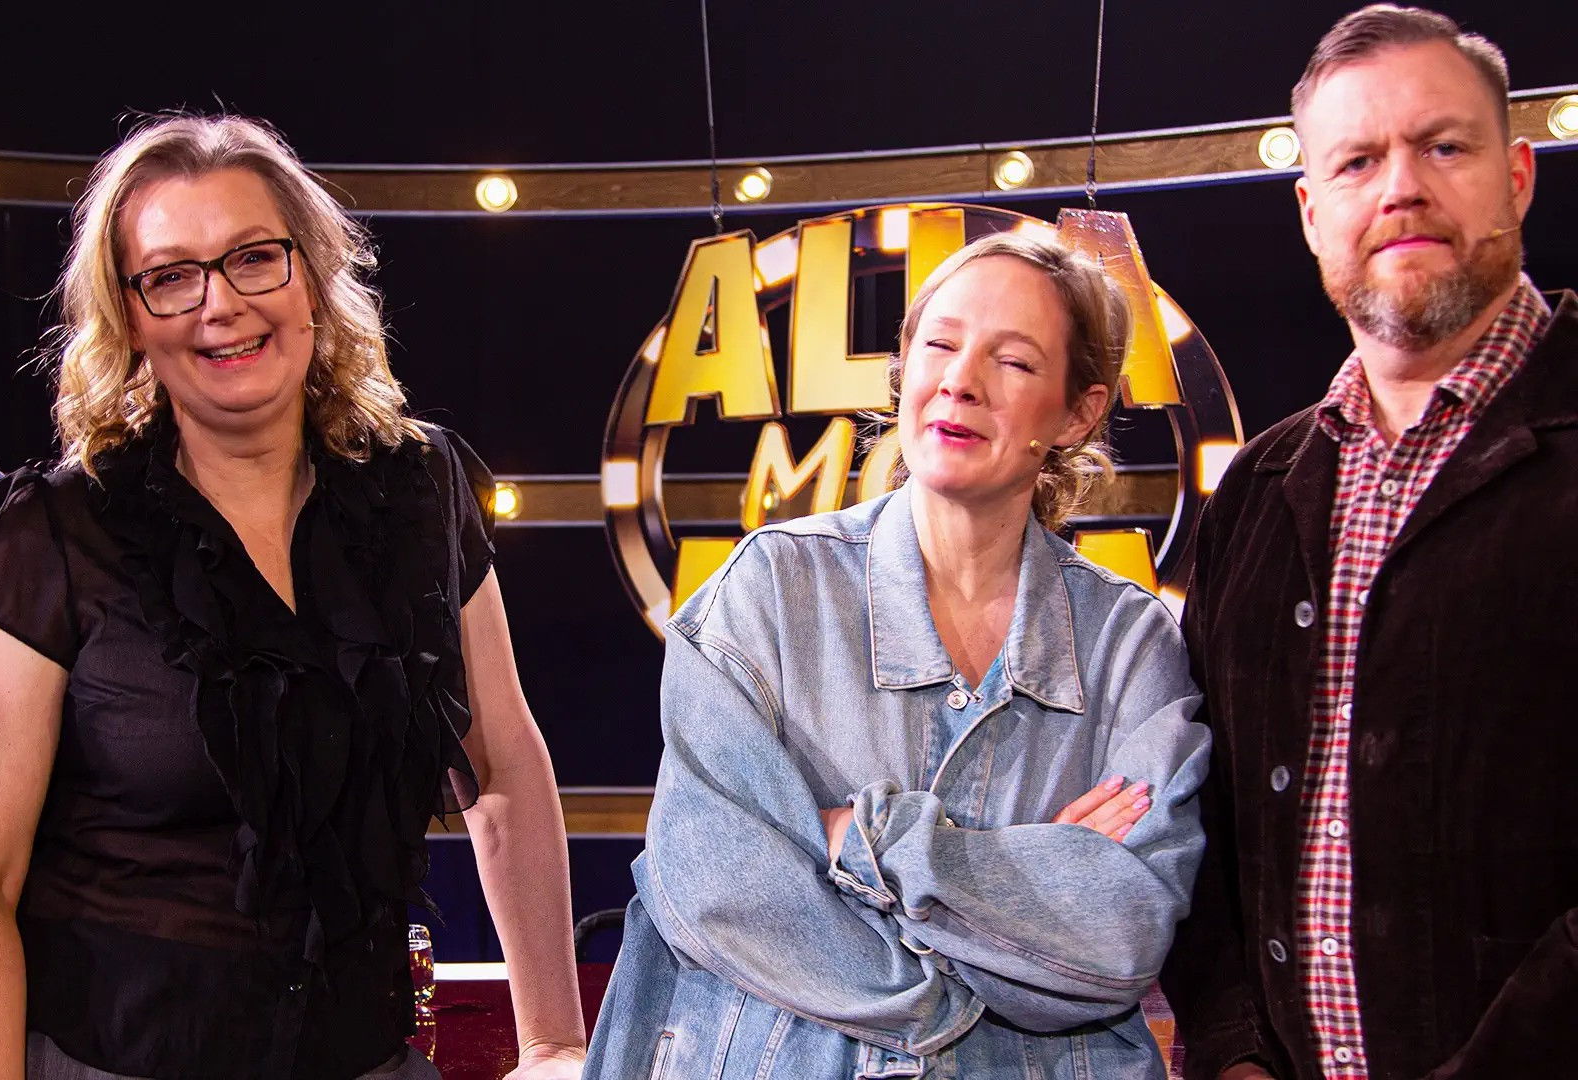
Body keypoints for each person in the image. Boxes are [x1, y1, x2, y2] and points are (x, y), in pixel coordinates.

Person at [0, 115, 585, 1080]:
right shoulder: (56, 531)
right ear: (129, 317)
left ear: (312, 275)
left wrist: (555, 1042)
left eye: (254, 258)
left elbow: (504, 764)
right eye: (170, 276)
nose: (220, 305)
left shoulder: (423, 486)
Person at [583, 231, 1211, 1079]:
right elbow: (719, 883)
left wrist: (859, 839)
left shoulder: (1128, 643)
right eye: (940, 345)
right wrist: (1010, 902)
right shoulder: (769, 589)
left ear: (1078, 413)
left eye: (1014, 361)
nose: (961, 381)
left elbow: (1118, 933)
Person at [1160, 6, 1577, 1079]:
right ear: (1311, 213)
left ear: (1518, 176)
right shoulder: (1258, 490)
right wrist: (1232, 1050)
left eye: (1443, 147)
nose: (1400, 188)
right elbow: (1206, 818)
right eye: (1356, 162)